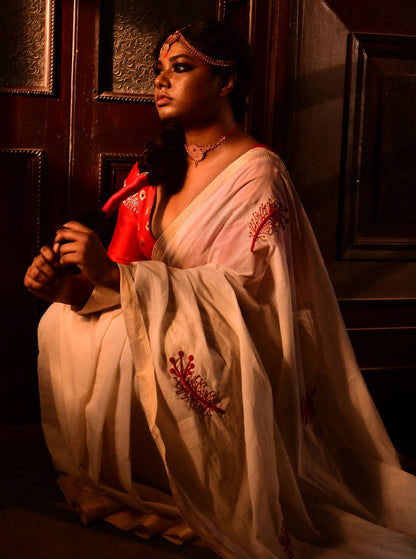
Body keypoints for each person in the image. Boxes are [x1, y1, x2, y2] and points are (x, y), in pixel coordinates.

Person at [24, 21, 416, 559]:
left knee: (119, 343)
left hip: (235, 342)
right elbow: (120, 277)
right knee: (66, 323)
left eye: (181, 69)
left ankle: (203, 482)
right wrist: (65, 288)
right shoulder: (152, 170)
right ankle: (153, 480)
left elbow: (253, 294)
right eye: (159, 72)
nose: (161, 82)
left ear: (226, 81)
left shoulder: (257, 171)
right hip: (167, 316)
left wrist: (116, 277)